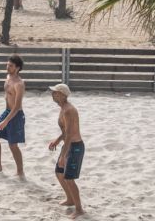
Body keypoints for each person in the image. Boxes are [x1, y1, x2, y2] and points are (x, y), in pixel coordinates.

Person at [48, 83, 85, 218]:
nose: (52, 94)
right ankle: (70, 199)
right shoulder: (63, 108)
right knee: (59, 173)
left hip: (75, 147)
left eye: (55, 92)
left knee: (69, 178)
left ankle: (79, 209)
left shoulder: (69, 110)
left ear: (63, 95)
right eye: (52, 92)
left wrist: (63, 155)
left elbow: (69, 134)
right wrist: (57, 140)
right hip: (68, 145)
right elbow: (65, 131)